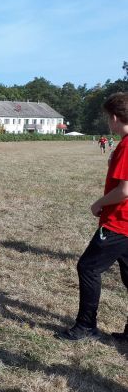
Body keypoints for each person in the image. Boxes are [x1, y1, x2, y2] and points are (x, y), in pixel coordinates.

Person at [57, 93, 128, 342]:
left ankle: (86, 326)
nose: (108, 122)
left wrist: (99, 203)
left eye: (108, 117)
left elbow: (125, 190)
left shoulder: (127, 146)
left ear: (115, 117)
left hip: (119, 223)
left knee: (88, 267)